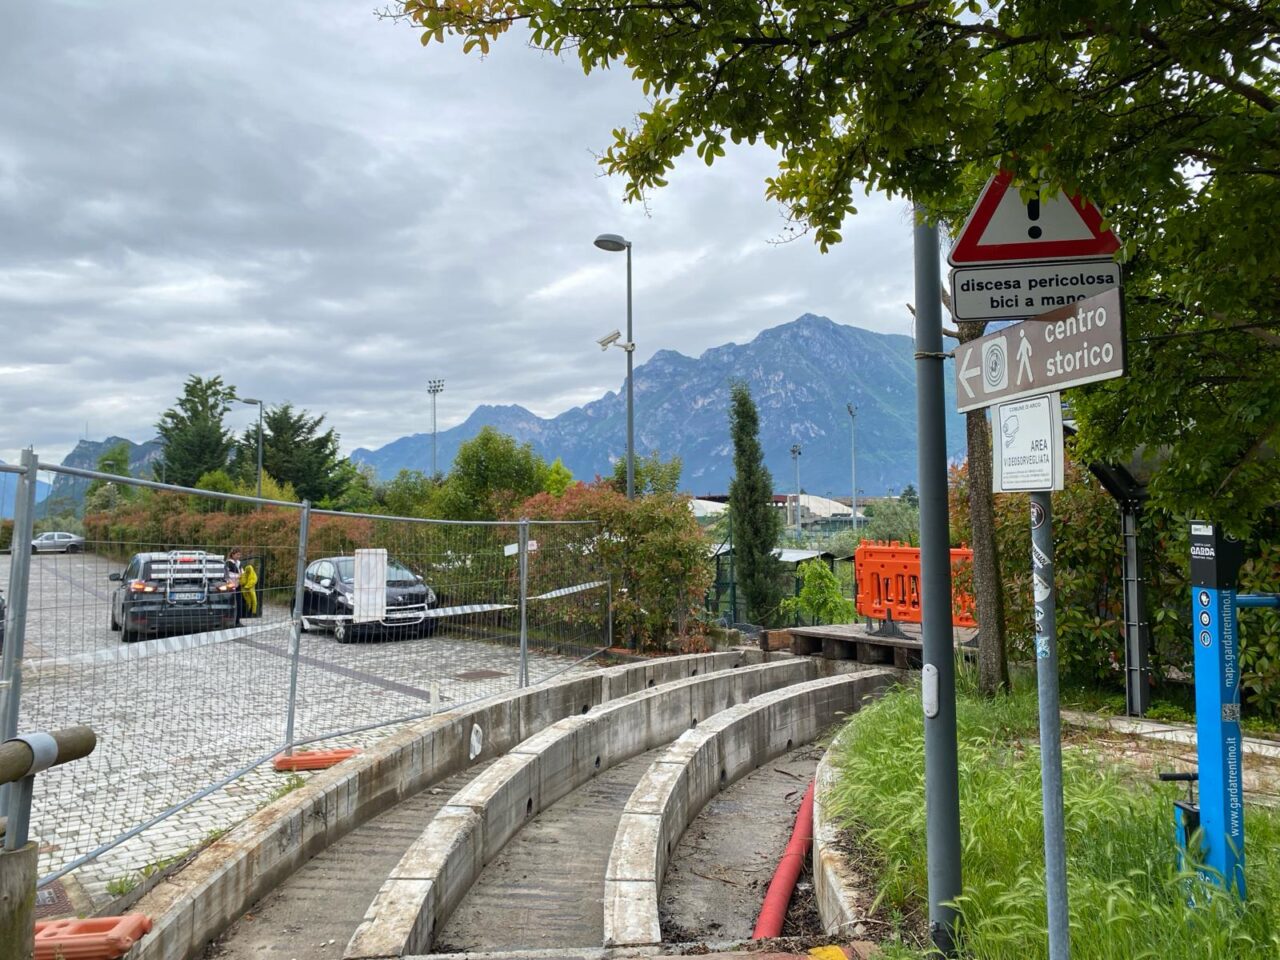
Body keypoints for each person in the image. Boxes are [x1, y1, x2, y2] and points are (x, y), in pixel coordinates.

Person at [226, 548, 245, 625]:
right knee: (232, 604)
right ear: (232, 554)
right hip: (230, 586)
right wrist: (238, 576)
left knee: (239, 603)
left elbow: (242, 572)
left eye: (240, 555)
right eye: (237, 554)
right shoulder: (228, 563)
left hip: (238, 585)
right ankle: (230, 621)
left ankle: (237, 621)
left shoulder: (239, 563)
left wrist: (243, 576)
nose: (239, 556)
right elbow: (227, 575)